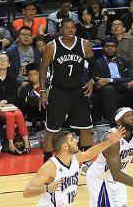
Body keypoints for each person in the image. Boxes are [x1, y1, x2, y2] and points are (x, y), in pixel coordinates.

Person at [40, 18, 97, 162]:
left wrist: (92, 80)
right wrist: (42, 91)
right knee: (52, 130)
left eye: (73, 27)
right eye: (67, 27)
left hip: (78, 90)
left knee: (86, 127)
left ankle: (86, 161)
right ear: (61, 30)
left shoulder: (85, 44)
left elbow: (94, 65)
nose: (70, 30)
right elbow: (43, 68)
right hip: (58, 91)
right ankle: (47, 160)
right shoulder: (52, 47)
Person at [93, 36, 133, 137]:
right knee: (108, 89)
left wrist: (110, 80)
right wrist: (123, 84)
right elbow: (99, 83)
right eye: (107, 46)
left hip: (127, 93)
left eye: (113, 46)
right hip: (111, 96)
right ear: (102, 48)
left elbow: (132, 78)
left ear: (117, 48)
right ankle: (115, 130)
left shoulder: (126, 61)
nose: (110, 48)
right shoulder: (97, 64)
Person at [0, 53, 31, 155]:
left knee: (18, 114)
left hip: (10, 106)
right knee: (10, 116)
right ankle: (11, 144)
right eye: (0, 59)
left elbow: (15, 97)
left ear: (9, 64)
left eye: (5, 60)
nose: (3, 61)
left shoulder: (12, 79)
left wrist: (5, 102)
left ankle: (26, 143)